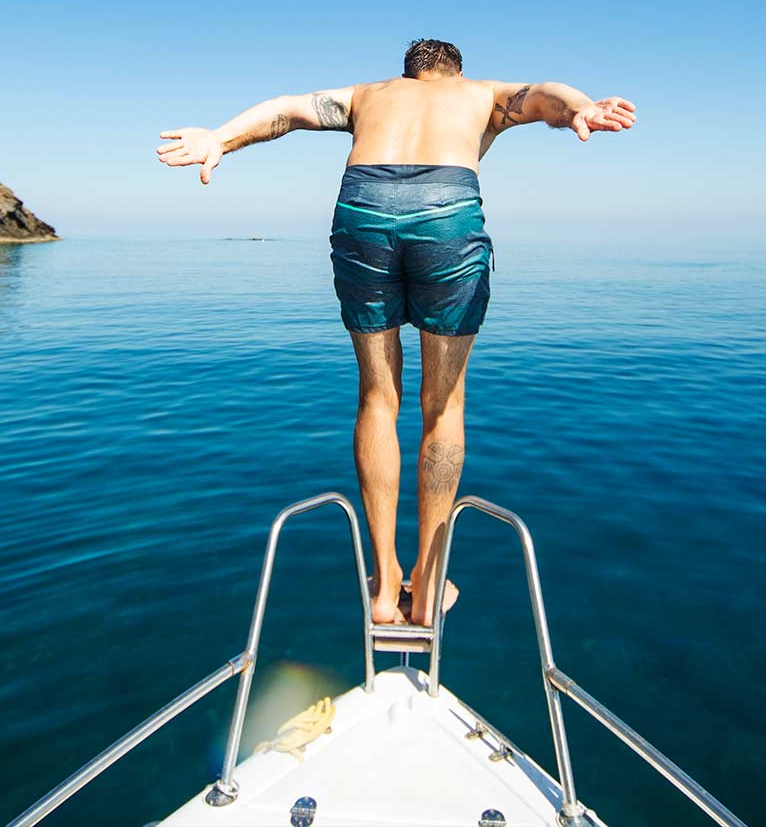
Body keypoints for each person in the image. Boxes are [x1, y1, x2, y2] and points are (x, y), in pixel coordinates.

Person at [156, 39, 636, 625]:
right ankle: (427, 585)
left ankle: (384, 588)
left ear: (405, 72)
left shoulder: (367, 96)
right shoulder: (480, 94)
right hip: (446, 211)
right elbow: (543, 96)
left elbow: (285, 109)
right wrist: (582, 107)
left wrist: (219, 138)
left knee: (379, 398)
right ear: (456, 70)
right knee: (443, 406)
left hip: (363, 208)